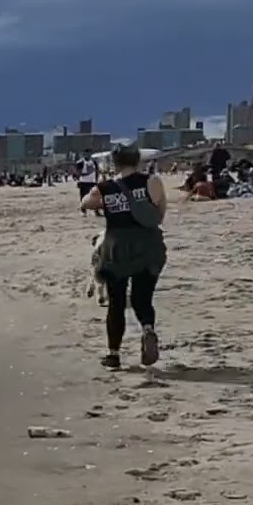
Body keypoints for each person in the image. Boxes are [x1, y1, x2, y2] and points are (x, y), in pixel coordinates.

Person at [81, 144, 167, 369]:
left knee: (116, 302)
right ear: (138, 160)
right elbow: (159, 214)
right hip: (148, 247)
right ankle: (148, 329)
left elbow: (85, 203)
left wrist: (107, 203)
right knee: (142, 297)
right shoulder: (152, 181)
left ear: (115, 163)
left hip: (116, 248)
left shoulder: (106, 186)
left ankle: (113, 355)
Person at [76, 150, 99, 216]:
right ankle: (83, 211)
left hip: (92, 181)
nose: (88, 155)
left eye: (89, 153)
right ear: (84, 154)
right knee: (83, 197)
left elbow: (97, 171)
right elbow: (79, 173)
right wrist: (88, 172)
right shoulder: (80, 162)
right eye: (86, 153)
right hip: (84, 182)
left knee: (95, 197)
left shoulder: (94, 162)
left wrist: (96, 179)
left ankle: (96, 211)